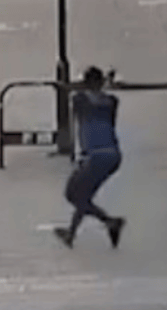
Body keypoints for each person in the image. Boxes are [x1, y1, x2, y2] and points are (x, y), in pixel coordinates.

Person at [54, 66, 125, 249]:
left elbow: (70, 91)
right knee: (84, 196)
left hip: (95, 155)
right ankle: (71, 234)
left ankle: (110, 221)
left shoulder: (79, 100)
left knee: (72, 194)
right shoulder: (111, 101)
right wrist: (106, 83)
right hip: (113, 155)